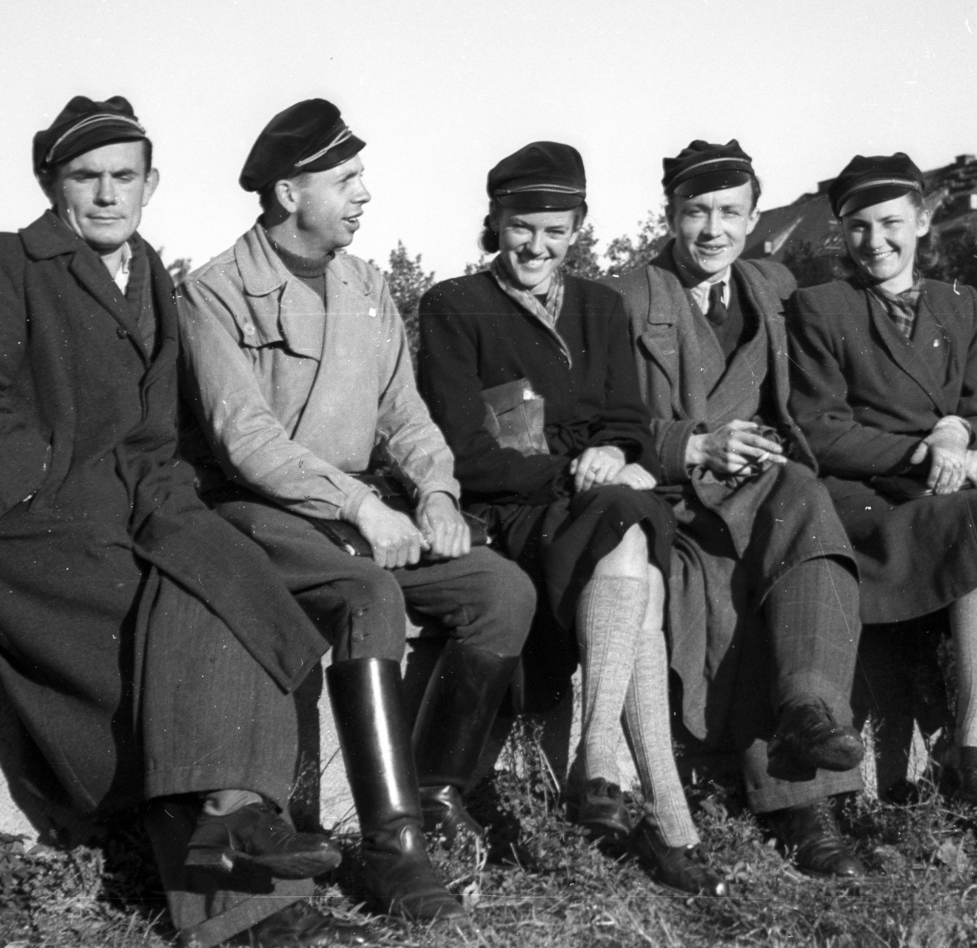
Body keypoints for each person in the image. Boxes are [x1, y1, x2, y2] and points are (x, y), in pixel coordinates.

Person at [0, 96, 364, 947]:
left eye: (125, 177)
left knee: (224, 586)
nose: (107, 195)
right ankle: (244, 896)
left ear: (152, 184)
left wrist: (172, 514)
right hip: (24, 534)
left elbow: (154, 438)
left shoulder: (150, 272)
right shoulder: (4, 262)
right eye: (86, 177)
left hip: (128, 511)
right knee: (175, 636)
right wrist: (52, 488)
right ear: (52, 184)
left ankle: (237, 840)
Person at [177, 99, 538, 920]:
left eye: (362, 176)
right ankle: (392, 848)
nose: (364, 194)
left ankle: (438, 786)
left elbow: (405, 415)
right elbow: (247, 443)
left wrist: (437, 491)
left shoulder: (367, 286)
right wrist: (365, 507)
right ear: (285, 192)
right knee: (370, 595)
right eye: (345, 180)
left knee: (499, 591)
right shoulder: (214, 293)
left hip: (354, 515)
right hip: (259, 514)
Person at [416, 142, 726, 897]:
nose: (537, 245)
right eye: (523, 226)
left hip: (596, 506)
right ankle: (647, 801)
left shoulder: (599, 305)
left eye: (556, 230)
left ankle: (620, 781)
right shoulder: (455, 306)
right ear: (495, 220)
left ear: (578, 229)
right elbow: (466, 450)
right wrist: (573, 468)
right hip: (513, 512)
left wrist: (617, 452)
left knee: (631, 548)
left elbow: (630, 422)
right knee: (639, 570)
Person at [603, 139, 868, 878]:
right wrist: (694, 445)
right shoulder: (628, 297)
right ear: (671, 215)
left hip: (767, 484)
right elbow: (603, 418)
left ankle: (809, 716)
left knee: (806, 510)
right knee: (732, 578)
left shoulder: (774, 285)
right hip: (678, 500)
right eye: (696, 213)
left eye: (730, 212)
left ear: (754, 219)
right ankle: (801, 804)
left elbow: (818, 385)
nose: (712, 230)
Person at [786, 153, 977, 865]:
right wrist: (917, 452)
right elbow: (819, 429)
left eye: (891, 224)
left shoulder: (959, 304)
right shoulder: (823, 308)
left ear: (924, 220)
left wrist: (959, 433)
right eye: (859, 228)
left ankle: (976, 760)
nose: (876, 242)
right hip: (866, 499)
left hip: (947, 490)